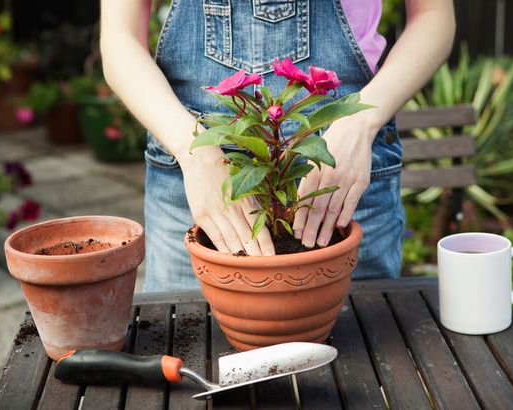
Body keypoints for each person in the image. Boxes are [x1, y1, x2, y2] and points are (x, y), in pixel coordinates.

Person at [100, 0, 455, 292]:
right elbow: (120, 37)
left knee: (358, 358)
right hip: (198, 184)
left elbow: (433, 15)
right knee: (194, 353)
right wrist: (193, 150)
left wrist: (361, 121)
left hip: (340, 179)